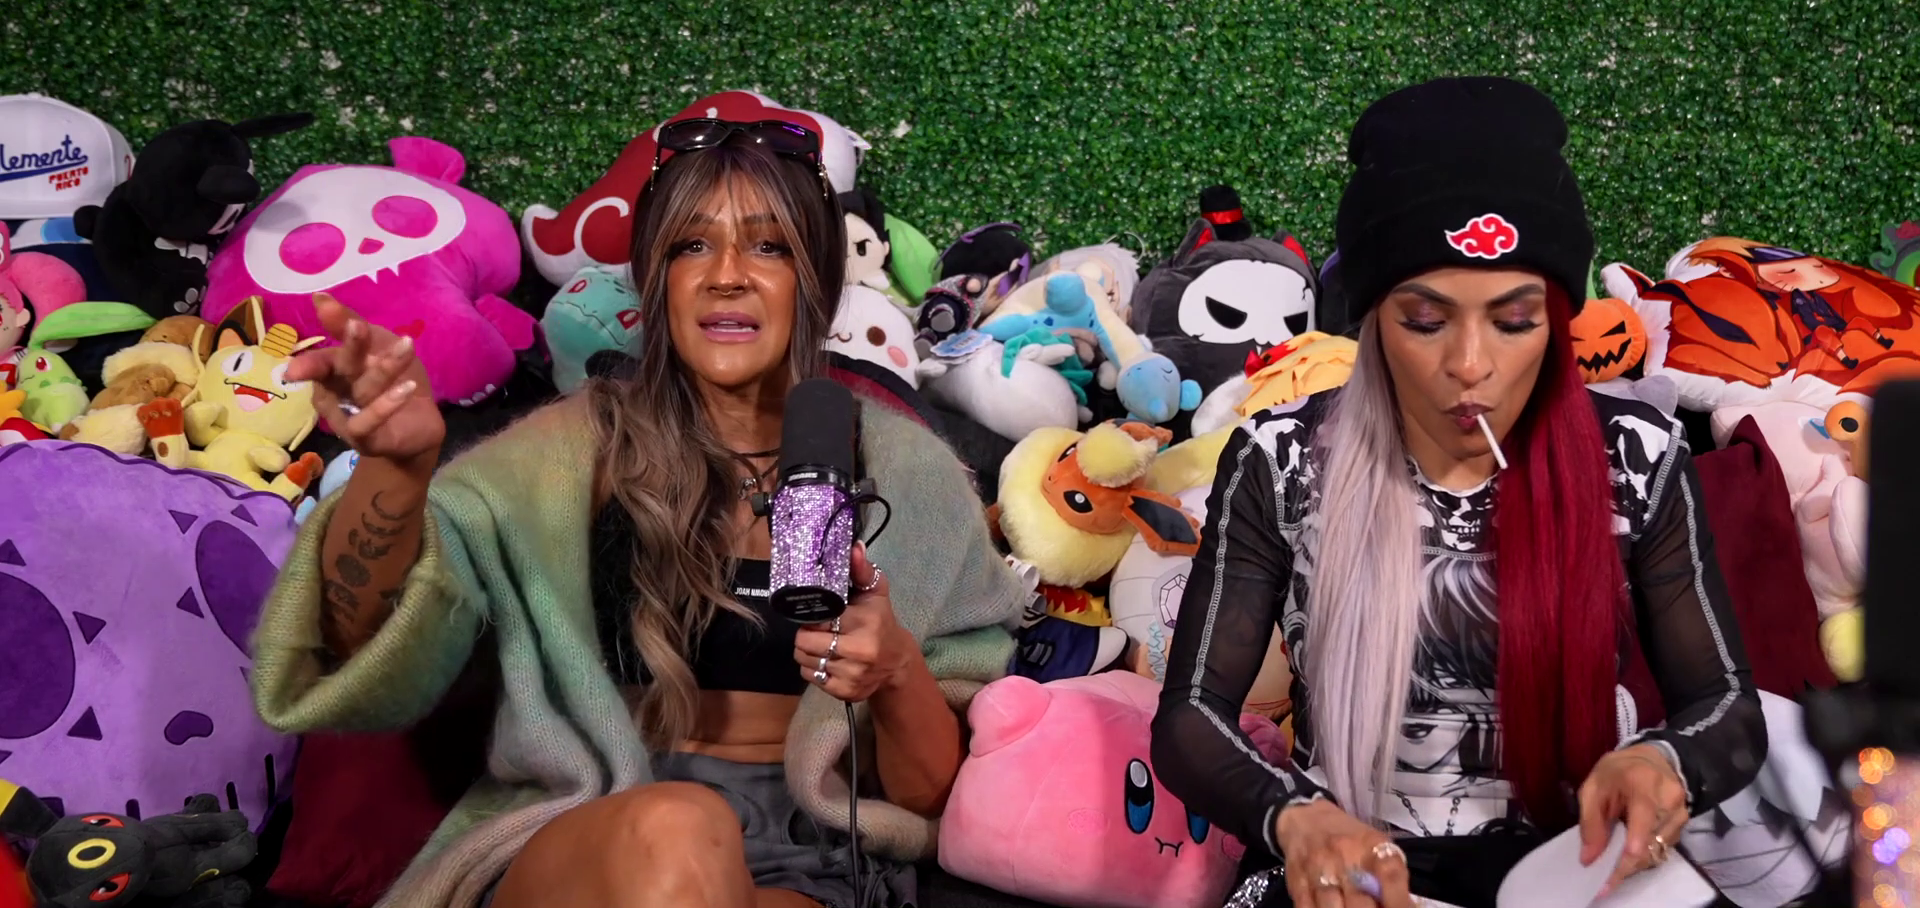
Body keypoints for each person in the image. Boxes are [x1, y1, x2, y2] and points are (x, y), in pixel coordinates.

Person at [250, 119, 1026, 908]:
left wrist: (895, 670)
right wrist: (396, 471)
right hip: (586, 829)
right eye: (692, 246)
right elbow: (364, 642)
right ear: (656, 279)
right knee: (676, 831)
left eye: (768, 247)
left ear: (816, 278)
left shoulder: (911, 476)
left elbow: (932, 800)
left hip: (814, 856)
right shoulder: (563, 456)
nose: (727, 276)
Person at [1150, 77, 1766, 908]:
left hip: (1572, 867)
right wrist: (1292, 817)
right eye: (1425, 320)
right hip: (1357, 870)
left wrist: (1664, 761)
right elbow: (1190, 714)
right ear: (1372, 318)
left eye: (1514, 322)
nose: (1471, 365)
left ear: (1556, 321)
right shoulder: (1280, 457)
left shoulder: (1638, 457)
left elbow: (1727, 707)